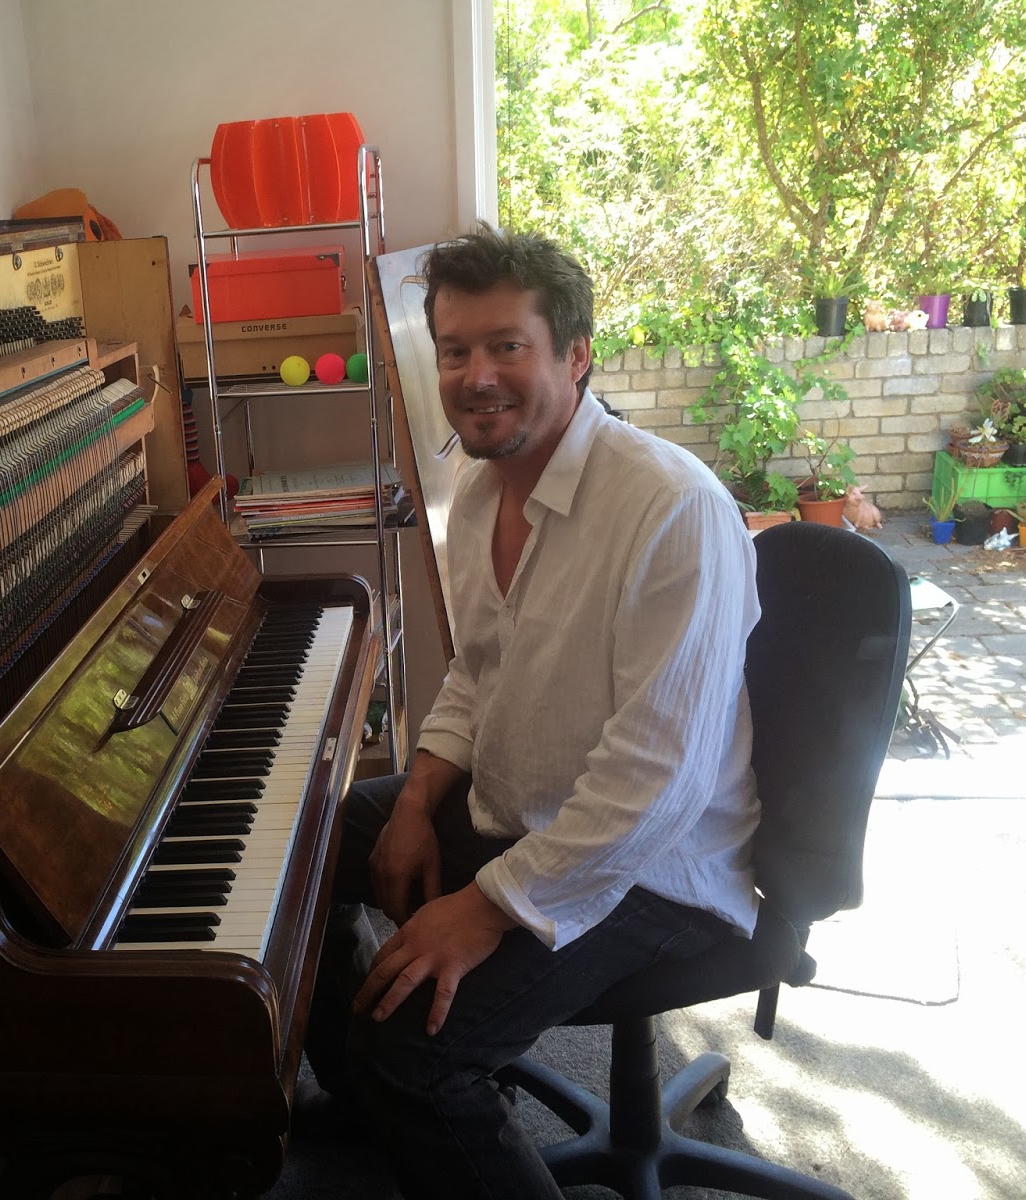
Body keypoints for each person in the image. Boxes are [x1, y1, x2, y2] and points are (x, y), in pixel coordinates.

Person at [303, 225, 762, 1199]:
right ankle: (380, 1121)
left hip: (652, 867)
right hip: (527, 809)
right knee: (315, 846)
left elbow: (655, 783)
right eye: (455, 350)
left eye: (506, 345)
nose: (475, 377)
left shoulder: (671, 509)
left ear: (576, 355)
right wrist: (418, 798)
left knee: (413, 1056)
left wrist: (484, 908)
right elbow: (479, 674)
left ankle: (403, 1098)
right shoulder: (479, 494)